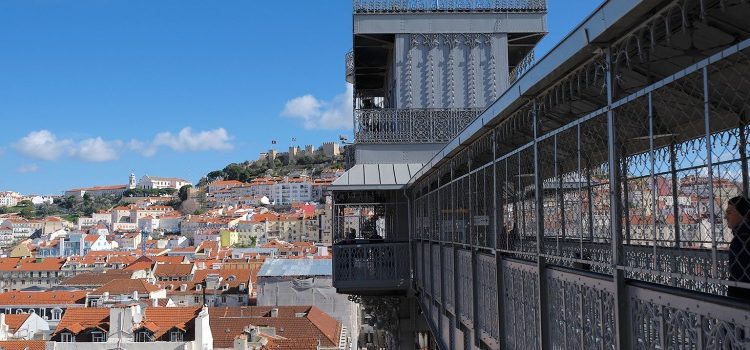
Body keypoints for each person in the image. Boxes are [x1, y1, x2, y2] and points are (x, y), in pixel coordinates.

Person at [725, 196, 750, 300]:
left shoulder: (741, 239)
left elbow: (739, 278)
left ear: (744, 214)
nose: (725, 217)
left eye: (729, 212)